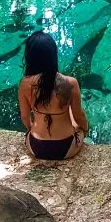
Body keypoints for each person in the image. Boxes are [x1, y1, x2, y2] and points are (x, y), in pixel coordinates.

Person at [18, 31, 89, 160]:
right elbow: (79, 116)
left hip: (36, 146)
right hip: (66, 147)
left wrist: (32, 129)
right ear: (53, 55)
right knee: (73, 117)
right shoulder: (71, 83)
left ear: (29, 57)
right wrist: (84, 131)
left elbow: (24, 117)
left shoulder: (25, 83)